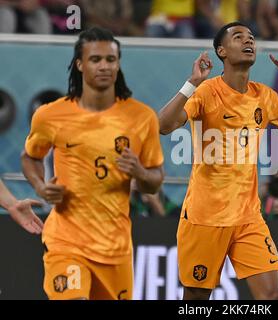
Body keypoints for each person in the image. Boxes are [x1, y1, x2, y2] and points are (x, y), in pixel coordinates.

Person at [158, 21, 278, 300]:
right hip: (204, 217)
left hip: (248, 217)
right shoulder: (207, 92)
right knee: (195, 299)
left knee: (272, 296)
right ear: (221, 51)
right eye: (239, 37)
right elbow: (163, 125)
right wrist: (192, 82)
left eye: (252, 37)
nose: (249, 41)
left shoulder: (263, 96)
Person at [21, 27, 164, 300]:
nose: (104, 66)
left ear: (118, 64)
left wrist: (140, 172)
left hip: (115, 249)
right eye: (95, 59)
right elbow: (30, 157)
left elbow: (155, 181)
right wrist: (40, 186)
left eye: (110, 60)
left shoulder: (141, 117)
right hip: (67, 242)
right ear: (80, 64)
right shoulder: (51, 115)